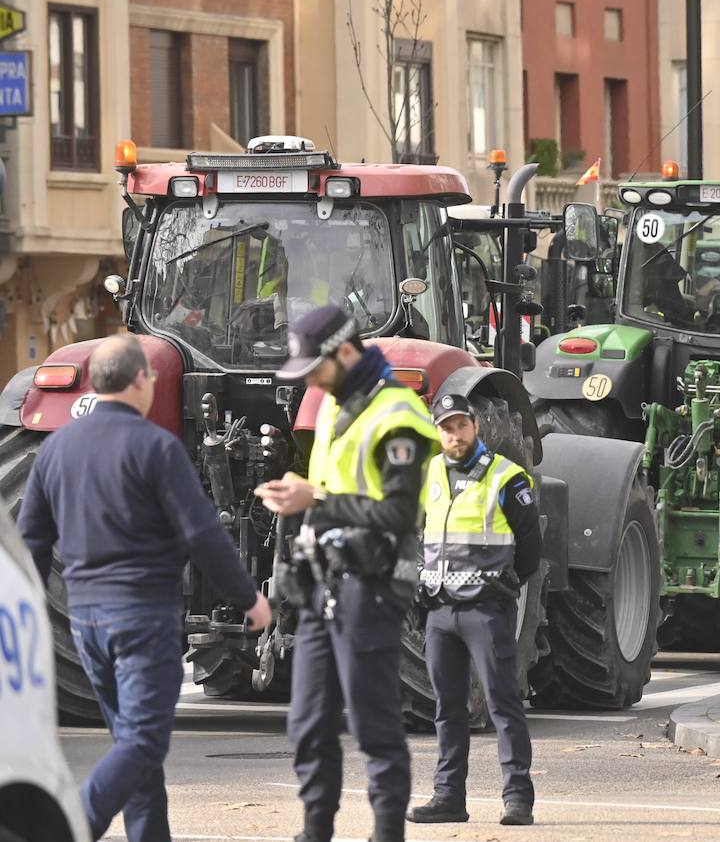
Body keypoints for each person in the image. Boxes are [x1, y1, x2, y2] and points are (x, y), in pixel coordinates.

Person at [18, 335, 271, 842]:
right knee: (143, 742)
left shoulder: (57, 449)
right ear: (139, 381)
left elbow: (31, 543)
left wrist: (25, 617)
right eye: (151, 377)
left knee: (132, 741)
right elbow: (202, 534)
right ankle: (69, 825)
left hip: (86, 624)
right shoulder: (157, 447)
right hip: (140, 617)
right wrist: (249, 598)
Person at [255, 304, 439, 842]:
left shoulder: (398, 413)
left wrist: (318, 497)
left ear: (347, 351)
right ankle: (315, 831)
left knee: (373, 723)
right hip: (323, 585)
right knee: (309, 723)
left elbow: (399, 514)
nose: (309, 378)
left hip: (372, 585)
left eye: (316, 366)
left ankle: (386, 833)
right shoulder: (338, 406)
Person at [407, 393, 542, 827]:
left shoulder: (507, 477)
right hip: (440, 611)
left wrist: (501, 586)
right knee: (446, 709)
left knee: (503, 703)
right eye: (446, 427)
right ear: (438, 432)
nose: (455, 434)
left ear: (476, 427)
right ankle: (449, 797)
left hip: (486, 610)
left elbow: (530, 552)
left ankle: (517, 798)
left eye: (461, 426)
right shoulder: (429, 473)